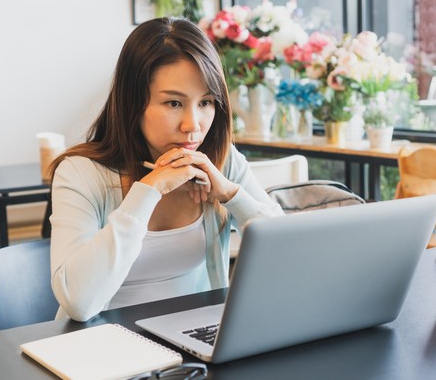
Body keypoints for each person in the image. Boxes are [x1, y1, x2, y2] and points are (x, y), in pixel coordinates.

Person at [49, 17, 284, 322]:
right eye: (174, 103)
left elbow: (285, 251)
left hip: (192, 343)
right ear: (133, 104)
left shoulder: (221, 162)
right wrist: (147, 192)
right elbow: (79, 303)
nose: (193, 125)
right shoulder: (80, 174)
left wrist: (230, 193)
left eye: (206, 102)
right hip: (101, 348)